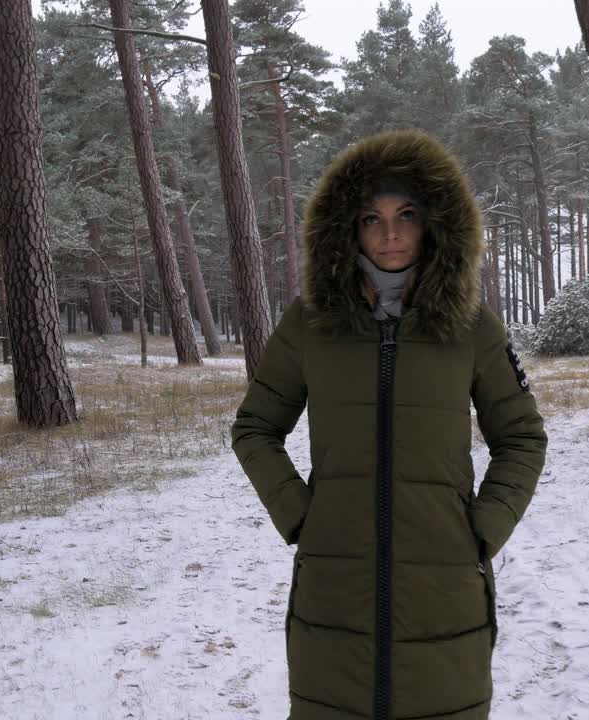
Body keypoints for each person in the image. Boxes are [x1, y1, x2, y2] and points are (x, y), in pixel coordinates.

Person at [231, 130, 547, 720]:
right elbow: (254, 427)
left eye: (407, 214)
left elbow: (522, 438)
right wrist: (301, 516)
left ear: (435, 223)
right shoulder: (310, 323)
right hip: (333, 589)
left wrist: (482, 529)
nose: (391, 232)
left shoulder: (472, 327)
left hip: (444, 586)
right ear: (348, 229)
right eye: (372, 218)